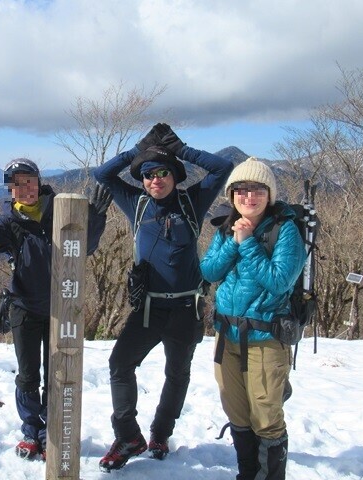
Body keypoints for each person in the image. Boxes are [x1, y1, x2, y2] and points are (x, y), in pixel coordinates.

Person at [93, 123, 233, 471]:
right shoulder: (135, 203)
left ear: (175, 176)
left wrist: (181, 149)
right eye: (148, 174)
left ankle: (160, 433)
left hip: (186, 307)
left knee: (177, 374)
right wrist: (137, 151)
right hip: (148, 308)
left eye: (163, 173)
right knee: (120, 365)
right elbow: (103, 174)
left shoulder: (192, 201)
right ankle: (128, 435)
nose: (155, 179)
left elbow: (222, 168)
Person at [0, 158, 111, 460]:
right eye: (16, 183)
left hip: (61, 308)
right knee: (27, 375)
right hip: (24, 308)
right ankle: (31, 431)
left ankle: (51, 432)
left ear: (39, 182)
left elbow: (85, 248)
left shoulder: (61, 209)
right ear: (9, 189)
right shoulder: (8, 223)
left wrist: (96, 218)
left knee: (57, 373)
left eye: (29, 181)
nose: (24, 188)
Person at [200, 157, 306, 480]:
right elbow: (208, 270)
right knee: (237, 412)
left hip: (266, 338)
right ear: (232, 194)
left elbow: (278, 280)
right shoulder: (228, 226)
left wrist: (248, 245)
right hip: (227, 336)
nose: (249, 197)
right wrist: (234, 241)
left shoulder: (284, 231)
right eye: (241, 190)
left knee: (265, 417)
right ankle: (247, 474)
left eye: (257, 189)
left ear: (269, 194)